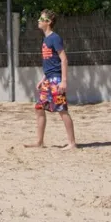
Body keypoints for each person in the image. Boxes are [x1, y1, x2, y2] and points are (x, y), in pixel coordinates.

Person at [25, 10, 76, 150]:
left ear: (48, 22)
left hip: (56, 80)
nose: (38, 21)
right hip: (48, 80)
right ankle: (39, 142)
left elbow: (64, 59)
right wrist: (43, 79)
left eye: (41, 19)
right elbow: (50, 62)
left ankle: (72, 143)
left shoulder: (55, 38)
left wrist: (64, 81)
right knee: (39, 108)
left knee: (62, 110)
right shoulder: (46, 39)